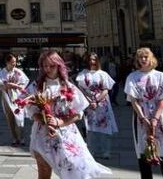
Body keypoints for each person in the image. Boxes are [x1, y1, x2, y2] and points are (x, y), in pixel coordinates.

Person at [25, 50, 111, 179]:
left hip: (66, 134)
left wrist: (59, 122)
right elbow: (30, 110)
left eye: (51, 66)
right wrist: (44, 120)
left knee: (73, 170)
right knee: (43, 170)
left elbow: (78, 113)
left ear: (59, 66)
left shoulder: (68, 87)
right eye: (44, 66)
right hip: (42, 134)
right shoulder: (36, 86)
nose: (47, 69)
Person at [125, 47, 163, 179]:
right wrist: (143, 117)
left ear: (151, 59)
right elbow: (134, 100)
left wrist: (155, 118)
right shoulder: (133, 77)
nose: (143, 59)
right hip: (141, 116)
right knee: (144, 150)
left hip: (160, 116)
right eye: (140, 57)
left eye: (146, 57)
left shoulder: (160, 76)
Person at [75, 53, 118, 159]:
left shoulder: (103, 74)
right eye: (90, 59)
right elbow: (81, 89)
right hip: (88, 103)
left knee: (105, 128)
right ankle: (91, 150)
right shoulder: (83, 74)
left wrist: (96, 100)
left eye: (94, 59)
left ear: (97, 61)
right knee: (90, 129)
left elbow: (106, 90)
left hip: (102, 104)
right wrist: (90, 100)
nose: (92, 62)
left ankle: (106, 151)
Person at [0, 53, 29, 147]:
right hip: (7, 97)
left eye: (15, 62)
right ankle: (14, 138)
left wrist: (18, 87)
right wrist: (14, 85)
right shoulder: (1, 73)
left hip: (17, 97)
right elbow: (1, 86)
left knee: (19, 117)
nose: (14, 64)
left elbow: (25, 82)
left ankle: (22, 137)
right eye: (12, 62)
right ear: (7, 62)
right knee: (10, 118)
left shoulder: (18, 72)